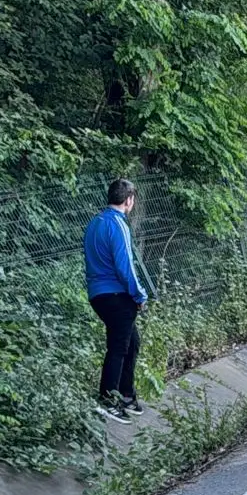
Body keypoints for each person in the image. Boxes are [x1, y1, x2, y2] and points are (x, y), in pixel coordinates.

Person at [83, 178, 147, 422]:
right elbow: (125, 266)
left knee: (132, 341)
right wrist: (138, 294)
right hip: (117, 294)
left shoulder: (95, 223)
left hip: (97, 293)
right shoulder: (118, 225)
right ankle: (109, 399)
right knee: (119, 347)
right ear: (129, 200)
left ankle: (127, 395)